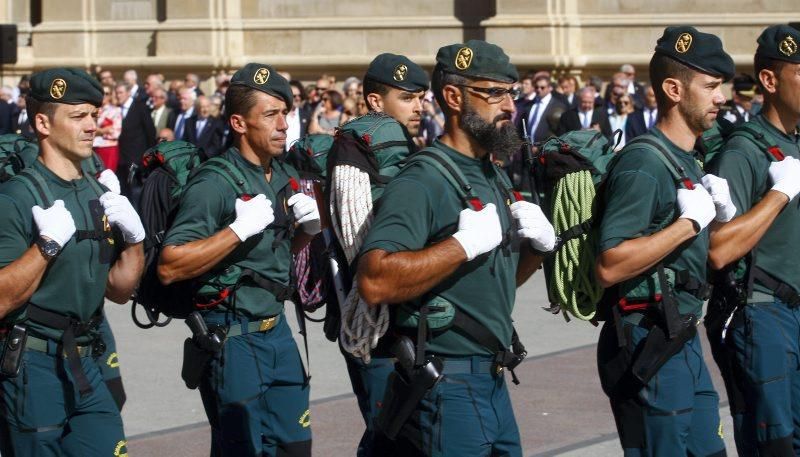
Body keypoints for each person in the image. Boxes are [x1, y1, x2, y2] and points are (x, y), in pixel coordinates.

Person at [357, 39, 555, 457]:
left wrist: (535, 253)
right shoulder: (423, 180)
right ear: (453, 97)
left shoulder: (493, 175)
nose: (509, 107)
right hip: (448, 383)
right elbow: (375, 280)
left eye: (511, 93)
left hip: (492, 377)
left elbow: (492, 283)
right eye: (494, 93)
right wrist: (460, 245)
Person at [158, 63, 317, 457]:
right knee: (243, 449)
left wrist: (306, 232)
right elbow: (170, 265)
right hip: (233, 337)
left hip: (277, 330)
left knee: (295, 447)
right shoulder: (214, 182)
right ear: (239, 123)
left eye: (286, 113)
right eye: (270, 115)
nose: (283, 124)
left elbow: (265, 261)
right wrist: (236, 231)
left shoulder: (279, 174)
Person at [594, 26, 734, 456]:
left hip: (681, 337)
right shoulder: (644, 163)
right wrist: (689, 224)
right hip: (648, 340)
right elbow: (610, 264)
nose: (722, 97)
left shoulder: (684, 159)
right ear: (673, 89)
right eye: (710, 87)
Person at [0, 67, 144, 457]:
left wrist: (135, 241)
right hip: (33, 364)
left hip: (87, 358)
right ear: (43, 123)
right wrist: (45, 246)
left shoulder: (99, 192)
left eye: (94, 115)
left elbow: (119, 290)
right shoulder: (16, 196)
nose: (92, 126)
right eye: (78, 116)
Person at [706, 24, 800, 456]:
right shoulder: (746, 149)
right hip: (762, 313)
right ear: (769, 80)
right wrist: (779, 194)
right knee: (774, 445)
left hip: (793, 312)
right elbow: (719, 248)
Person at [327, 52, 427, 457]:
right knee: (388, 432)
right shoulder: (356, 147)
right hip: (375, 324)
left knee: (407, 432)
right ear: (374, 101)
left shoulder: (409, 147)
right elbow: (358, 241)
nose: (419, 106)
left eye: (421, 97)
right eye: (407, 97)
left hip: (412, 319)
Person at [93, 85, 123, 172]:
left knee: (107, 176)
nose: (104, 96)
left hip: (108, 148)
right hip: (94, 147)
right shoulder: (93, 110)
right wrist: (104, 130)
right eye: (101, 93)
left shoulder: (116, 110)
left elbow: (115, 133)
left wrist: (98, 131)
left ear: (110, 95)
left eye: (106, 93)